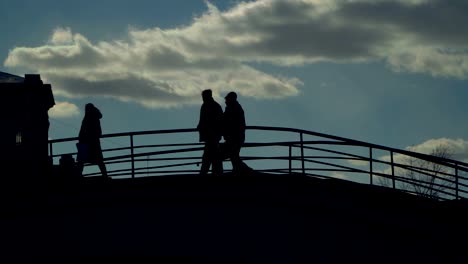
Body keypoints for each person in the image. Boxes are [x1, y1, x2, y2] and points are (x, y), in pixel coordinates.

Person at [76, 103, 108, 179]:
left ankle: (78, 176)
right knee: (99, 160)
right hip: (94, 142)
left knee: (82, 160)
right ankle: (105, 175)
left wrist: (81, 139)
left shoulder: (87, 117)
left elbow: (83, 131)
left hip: (86, 142)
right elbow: (99, 132)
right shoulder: (95, 117)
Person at [197, 89, 223, 176]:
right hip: (213, 136)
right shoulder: (214, 106)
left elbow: (205, 120)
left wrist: (201, 127)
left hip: (211, 136)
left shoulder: (208, 106)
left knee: (208, 156)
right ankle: (216, 173)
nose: (203, 98)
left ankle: (204, 173)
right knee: (214, 156)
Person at [222, 92, 246, 175]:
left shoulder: (232, 108)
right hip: (236, 137)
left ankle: (243, 170)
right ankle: (240, 170)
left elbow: (227, 121)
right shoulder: (235, 108)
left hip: (234, 138)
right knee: (234, 156)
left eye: (226, 99)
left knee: (232, 155)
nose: (225, 101)